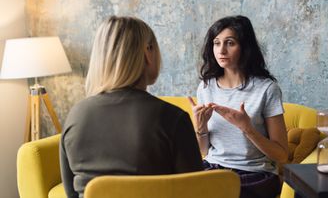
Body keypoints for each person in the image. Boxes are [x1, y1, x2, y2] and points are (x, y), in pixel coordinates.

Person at [60, 16, 203, 198]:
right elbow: (197, 191)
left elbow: (71, 193)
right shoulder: (173, 118)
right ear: (147, 52)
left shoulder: (75, 115)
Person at [188, 15, 288, 198]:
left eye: (230, 43)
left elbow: (281, 155)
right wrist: (201, 127)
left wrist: (247, 128)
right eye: (216, 43)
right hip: (213, 169)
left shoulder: (267, 89)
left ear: (245, 47)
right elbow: (204, 151)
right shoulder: (205, 87)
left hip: (255, 174)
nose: (221, 50)